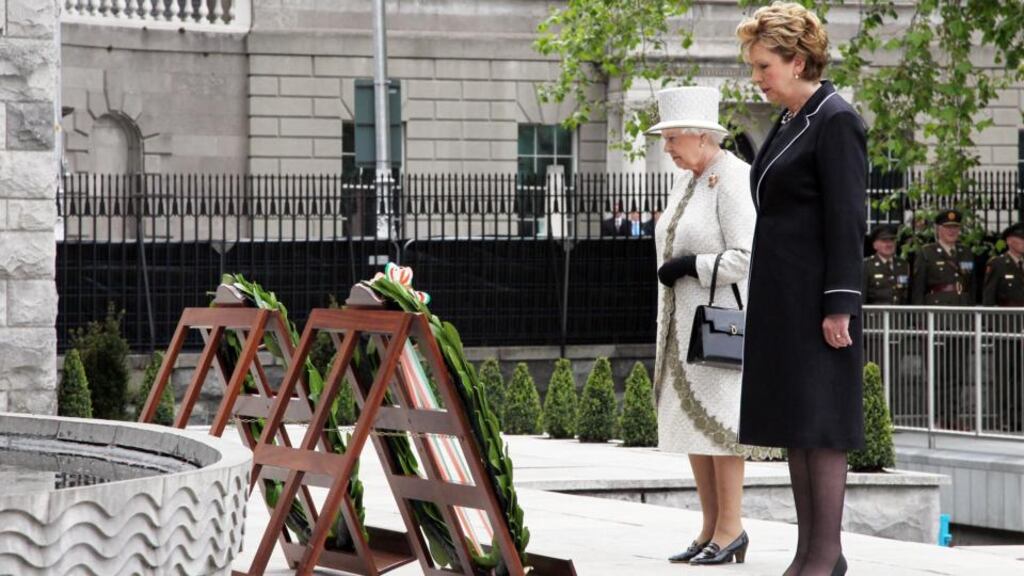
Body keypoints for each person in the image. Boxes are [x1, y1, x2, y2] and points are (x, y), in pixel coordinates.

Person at [736, 4, 867, 575]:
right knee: (797, 423)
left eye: (764, 66)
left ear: (796, 59)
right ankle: (808, 553)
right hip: (782, 300)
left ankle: (825, 555)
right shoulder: (792, 120)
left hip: (817, 301)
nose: (757, 78)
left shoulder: (835, 118)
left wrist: (840, 303)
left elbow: (846, 218)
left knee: (822, 423)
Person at [648, 85, 779, 567]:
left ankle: (732, 528)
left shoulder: (735, 178)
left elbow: (749, 257)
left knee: (722, 429)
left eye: (671, 139)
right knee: (691, 429)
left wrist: (692, 266)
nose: (666, 149)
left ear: (700, 137)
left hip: (719, 322)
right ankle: (708, 528)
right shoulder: (685, 180)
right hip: (679, 323)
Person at [911, 210, 976, 306]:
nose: (952, 231)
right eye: (947, 227)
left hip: (963, 306)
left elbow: (972, 285)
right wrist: (920, 317)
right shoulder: (927, 253)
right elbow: (918, 288)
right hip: (938, 308)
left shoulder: (966, 252)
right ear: (938, 229)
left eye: (955, 227)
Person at [863, 224, 910, 305]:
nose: (889, 244)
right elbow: (862, 296)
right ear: (875, 245)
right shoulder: (867, 266)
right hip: (876, 315)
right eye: (884, 241)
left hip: (898, 315)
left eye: (892, 240)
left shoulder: (903, 265)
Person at [982, 223, 1024, 307]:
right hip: (1007, 317)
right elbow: (989, 297)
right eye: (1022, 239)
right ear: (1009, 241)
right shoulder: (998, 264)